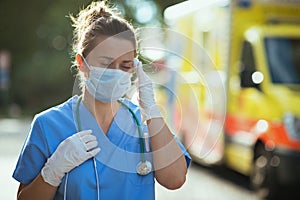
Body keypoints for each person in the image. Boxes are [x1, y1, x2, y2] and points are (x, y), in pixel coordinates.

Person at [12, 1, 191, 200]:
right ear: (82, 64)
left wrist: (152, 110)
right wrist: (52, 172)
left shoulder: (145, 124)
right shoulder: (48, 125)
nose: (115, 72)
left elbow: (175, 180)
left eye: (125, 65)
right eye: (106, 63)